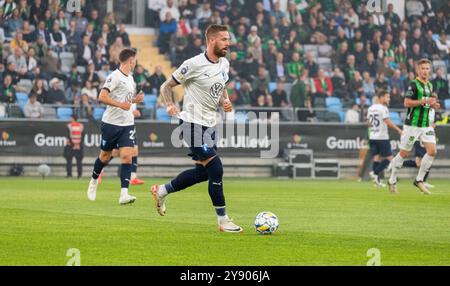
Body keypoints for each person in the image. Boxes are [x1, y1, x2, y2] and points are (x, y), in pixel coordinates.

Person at [152, 24, 243, 233]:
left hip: (211, 125)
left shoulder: (225, 64)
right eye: (223, 39)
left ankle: (162, 190)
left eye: (228, 39)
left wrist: (225, 101)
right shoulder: (193, 64)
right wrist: (169, 104)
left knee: (203, 173)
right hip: (191, 123)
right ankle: (223, 221)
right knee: (216, 168)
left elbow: (221, 88)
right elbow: (166, 86)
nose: (228, 43)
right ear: (211, 40)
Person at [86, 48, 144, 205]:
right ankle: (93, 181)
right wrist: (121, 105)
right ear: (130, 61)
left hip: (127, 124)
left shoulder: (131, 79)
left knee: (127, 156)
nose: (136, 63)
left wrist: (134, 101)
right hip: (111, 124)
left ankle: (124, 194)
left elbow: (126, 100)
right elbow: (102, 97)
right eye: (135, 60)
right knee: (104, 157)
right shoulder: (115, 76)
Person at [388, 59, 440, 194]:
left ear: (430, 70)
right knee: (404, 154)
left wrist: (433, 105)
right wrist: (424, 101)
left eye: (427, 68)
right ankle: (392, 179)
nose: (425, 71)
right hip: (412, 126)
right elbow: (406, 103)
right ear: (418, 70)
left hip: (426, 125)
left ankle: (419, 180)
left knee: (432, 151)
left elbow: (426, 104)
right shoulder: (413, 84)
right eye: (422, 68)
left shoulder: (429, 85)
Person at [367, 90, 403, 187]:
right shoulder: (383, 108)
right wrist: (398, 130)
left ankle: (376, 182)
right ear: (381, 97)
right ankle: (375, 172)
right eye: (387, 97)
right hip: (382, 137)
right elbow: (387, 121)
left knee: (377, 157)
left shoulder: (370, 108)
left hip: (373, 136)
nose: (389, 99)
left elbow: (369, 123)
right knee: (391, 159)